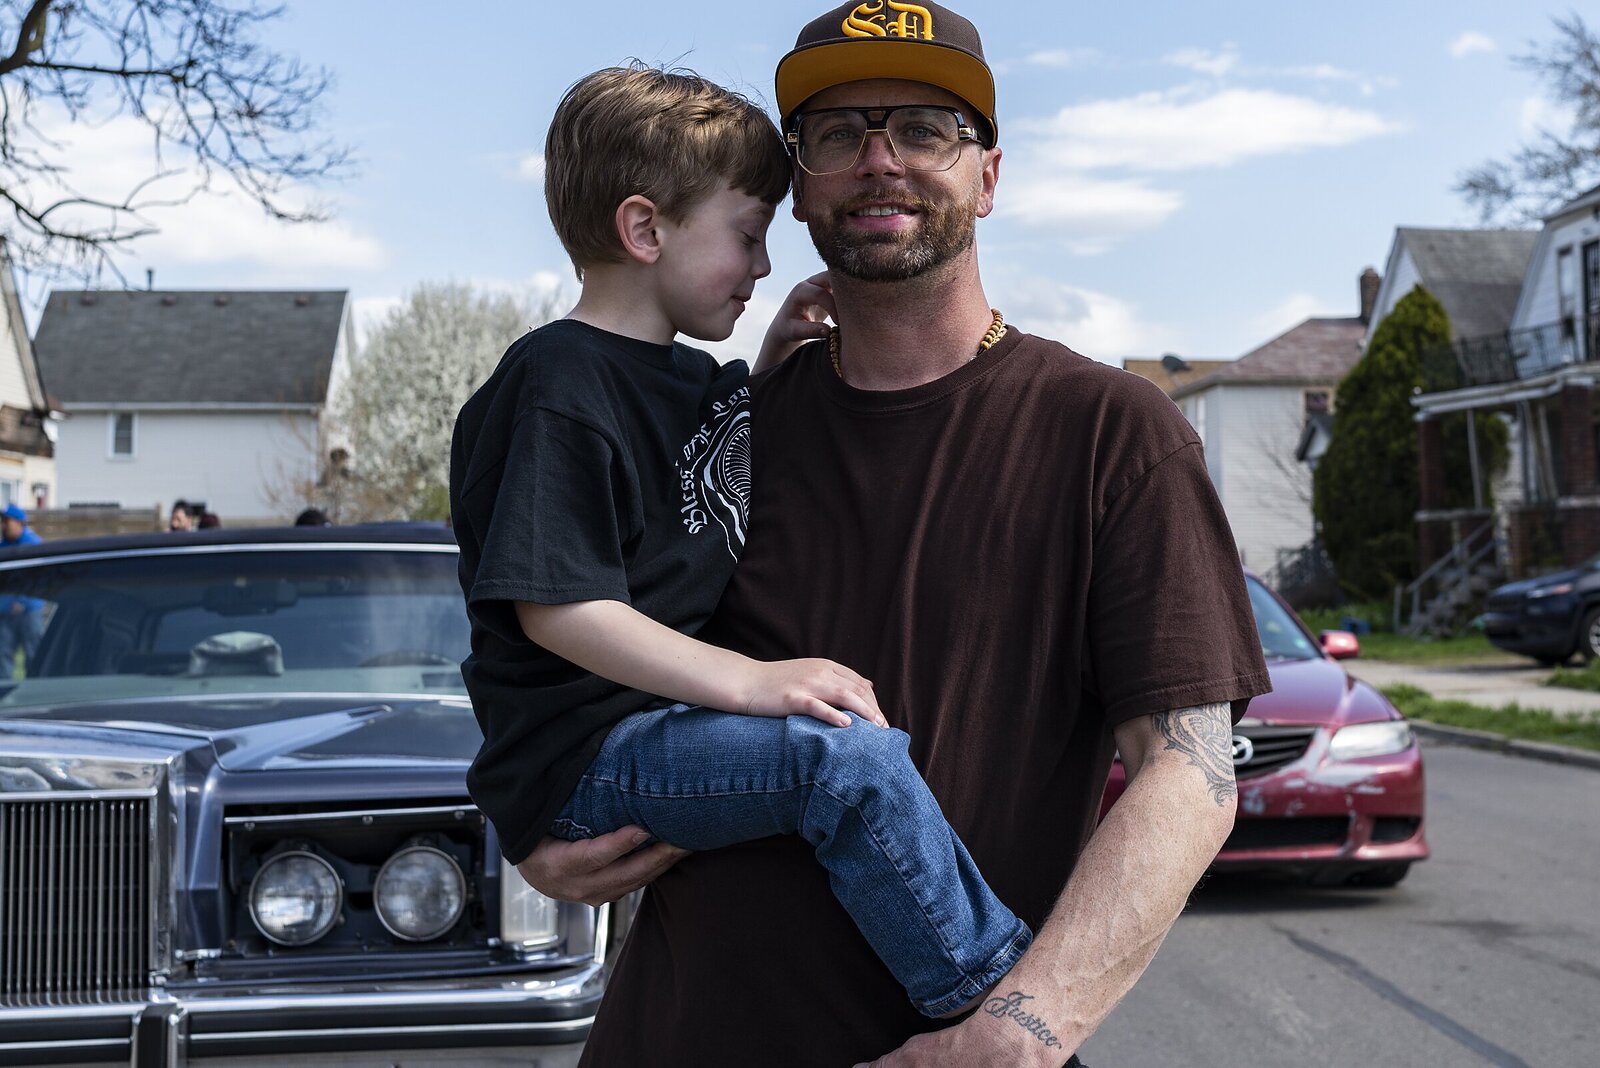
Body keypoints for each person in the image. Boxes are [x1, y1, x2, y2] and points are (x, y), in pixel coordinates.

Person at [521, 5, 1273, 1066]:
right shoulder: (724, 427)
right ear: (800, 183)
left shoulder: (1109, 432)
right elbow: (562, 621)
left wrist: (1016, 1036)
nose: (879, 161)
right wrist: (536, 833)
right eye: (837, 135)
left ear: (989, 174)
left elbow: (1188, 774)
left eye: (923, 128)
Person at [449, 64, 1031, 1021]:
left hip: (652, 735)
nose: (764, 266)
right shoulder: (556, 381)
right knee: (844, 763)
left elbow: (695, 475)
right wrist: (753, 682)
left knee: (849, 757)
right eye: (746, 235)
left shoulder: (690, 377)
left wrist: (768, 365)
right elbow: (556, 605)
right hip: (588, 757)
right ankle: (992, 1001)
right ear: (645, 231)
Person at [0, 503, 44, 677]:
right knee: (3, 655)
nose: (3, 526)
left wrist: (22, 602)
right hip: (5, 613)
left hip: (29, 611)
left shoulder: (33, 546)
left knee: (33, 655)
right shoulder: (3, 547)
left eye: (6, 522)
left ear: (19, 523)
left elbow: (40, 580)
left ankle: (36, 694)